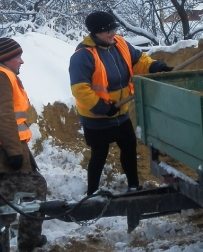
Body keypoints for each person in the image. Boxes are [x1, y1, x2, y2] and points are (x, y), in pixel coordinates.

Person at [69, 11, 172, 195]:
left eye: (114, 28)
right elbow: (80, 89)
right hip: (96, 116)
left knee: (129, 147)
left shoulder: (120, 44)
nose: (112, 33)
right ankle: (91, 193)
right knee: (99, 154)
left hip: (120, 112)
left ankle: (133, 186)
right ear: (95, 32)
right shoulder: (83, 55)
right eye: (107, 30)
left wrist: (156, 66)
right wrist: (102, 107)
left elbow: (139, 60)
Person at [0, 37, 47, 252]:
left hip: (6, 147)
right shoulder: (0, 78)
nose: (21, 61)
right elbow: (3, 115)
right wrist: (14, 152)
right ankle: (12, 250)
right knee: (21, 196)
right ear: (7, 58)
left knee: (13, 196)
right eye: (18, 56)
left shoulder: (0, 76)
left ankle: (6, 249)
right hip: (4, 149)